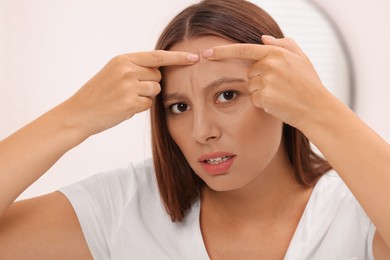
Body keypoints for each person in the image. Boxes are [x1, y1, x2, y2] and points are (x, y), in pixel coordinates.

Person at [0, 0, 390, 259]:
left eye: (226, 95)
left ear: (281, 92)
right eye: (179, 107)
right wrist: (74, 116)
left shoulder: (357, 210)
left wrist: (319, 108)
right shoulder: (124, 207)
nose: (202, 131)